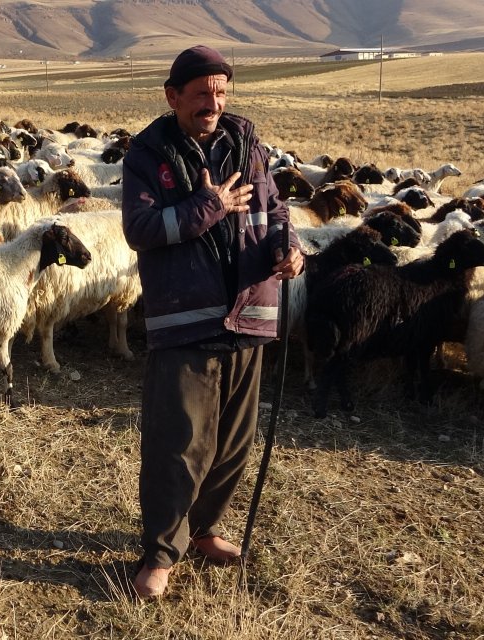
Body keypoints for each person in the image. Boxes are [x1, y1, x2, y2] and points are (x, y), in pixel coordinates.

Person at [120, 44, 304, 599]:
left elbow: (274, 209)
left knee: (232, 440)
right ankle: (160, 553)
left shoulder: (247, 143)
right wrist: (209, 207)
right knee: (179, 441)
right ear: (174, 96)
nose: (213, 103)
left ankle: (202, 531)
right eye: (201, 93)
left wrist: (289, 248)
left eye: (221, 92)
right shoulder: (147, 154)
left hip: (249, 308)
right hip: (186, 315)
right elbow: (141, 229)